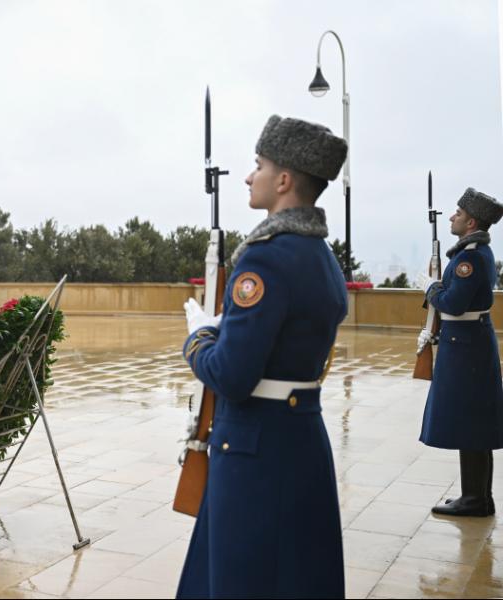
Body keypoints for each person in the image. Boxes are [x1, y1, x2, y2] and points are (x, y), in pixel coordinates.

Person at [177, 115, 348, 599]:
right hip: (298, 440)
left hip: (255, 449)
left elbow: (232, 375)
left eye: (259, 165)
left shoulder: (266, 257)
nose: (251, 176)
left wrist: (200, 339)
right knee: (294, 577)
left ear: (285, 180)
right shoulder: (320, 256)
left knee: (243, 580)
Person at [419, 188, 503, 517]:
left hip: (466, 345)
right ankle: (478, 496)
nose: (452, 217)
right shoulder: (474, 252)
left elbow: (453, 302)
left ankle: (475, 499)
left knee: (470, 421)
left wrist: (431, 287)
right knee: (475, 421)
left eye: (457, 213)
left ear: (471, 222)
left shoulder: (469, 257)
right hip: (468, 341)